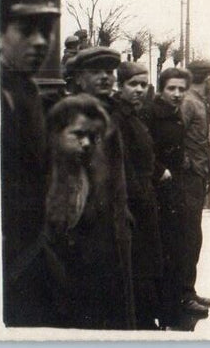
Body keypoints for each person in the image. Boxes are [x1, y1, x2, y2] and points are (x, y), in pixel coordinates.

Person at [0, 0, 61, 326]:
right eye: (26, 30)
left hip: (31, 254)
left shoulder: (26, 89)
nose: (40, 42)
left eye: (46, 31)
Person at [42, 94, 130, 329]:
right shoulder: (39, 177)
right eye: (78, 135)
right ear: (55, 133)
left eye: (92, 136)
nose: (87, 143)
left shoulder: (90, 174)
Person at [64, 46, 135, 329]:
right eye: (96, 72)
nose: (106, 77)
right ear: (79, 79)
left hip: (115, 227)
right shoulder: (73, 117)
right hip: (88, 232)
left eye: (109, 72)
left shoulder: (111, 112)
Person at [115, 61, 166, 329]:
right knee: (138, 267)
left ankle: (147, 318)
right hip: (135, 203)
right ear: (120, 86)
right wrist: (141, 195)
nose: (138, 90)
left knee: (147, 265)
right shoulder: (119, 118)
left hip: (145, 198)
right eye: (132, 84)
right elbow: (124, 163)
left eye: (142, 85)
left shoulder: (134, 116)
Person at [144, 66, 194, 327]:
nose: (176, 94)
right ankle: (163, 312)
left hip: (174, 190)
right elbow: (142, 150)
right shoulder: (150, 114)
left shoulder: (176, 115)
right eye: (171, 89)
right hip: (157, 192)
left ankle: (173, 306)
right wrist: (158, 171)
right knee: (161, 251)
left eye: (181, 90)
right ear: (161, 89)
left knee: (176, 248)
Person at [179, 60, 210, 317]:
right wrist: (189, 164)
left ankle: (188, 291)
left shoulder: (197, 101)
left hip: (199, 175)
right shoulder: (190, 102)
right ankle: (184, 295)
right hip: (190, 177)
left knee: (194, 236)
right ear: (207, 78)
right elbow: (177, 137)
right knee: (188, 236)